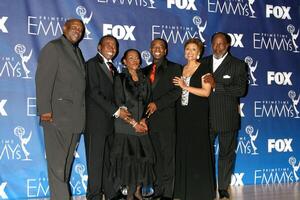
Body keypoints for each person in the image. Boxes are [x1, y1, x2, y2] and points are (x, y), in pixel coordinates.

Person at [35, 18, 86, 200]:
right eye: (74, 27)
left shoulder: (77, 52)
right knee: (57, 167)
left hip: (75, 120)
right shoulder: (53, 47)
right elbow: (43, 80)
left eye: (80, 29)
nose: (77, 31)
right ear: (64, 28)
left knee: (65, 167)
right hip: (56, 117)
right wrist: (45, 111)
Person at [85, 35, 131, 200]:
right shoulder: (92, 64)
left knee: (107, 161)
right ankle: (94, 195)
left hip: (110, 124)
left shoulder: (113, 68)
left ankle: (111, 193)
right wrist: (117, 111)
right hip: (96, 123)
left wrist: (122, 107)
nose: (112, 47)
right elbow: (94, 93)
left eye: (114, 45)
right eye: (108, 44)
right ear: (99, 47)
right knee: (95, 162)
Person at [203, 32, 248, 199]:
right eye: (214, 44)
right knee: (204, 155)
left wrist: (216, 86)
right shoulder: (203, 62)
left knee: (226, 155)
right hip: (205, 118)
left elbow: (241, 90)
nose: (217, 47)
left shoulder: (238, 65)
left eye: (221, 44)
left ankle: (222, 188)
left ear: (228, 45)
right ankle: (207, 186)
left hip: (227, 118)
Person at [109, 49, 155, 200]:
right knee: (128, 162)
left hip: (142, 126)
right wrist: (134, 123)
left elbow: (148, 103)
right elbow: (120, 104)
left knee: (142, 160)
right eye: (131, 58)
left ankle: (137, 191)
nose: (135, 60)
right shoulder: (120, 78)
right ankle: (129, 195)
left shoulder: (145, 80)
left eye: (137, 58)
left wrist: (144, 120)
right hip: (126, 126)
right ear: (124, 61)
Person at [172, 38, 215, 200]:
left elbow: (206, 92)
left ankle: (200, 191)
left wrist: (185, 87)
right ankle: (183, 190)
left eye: (194, 50)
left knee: (198, 150)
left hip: (198, 115)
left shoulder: (205, 69)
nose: (190, 52)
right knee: (183, 149)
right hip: (182, 115)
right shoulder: (180, 69)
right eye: (188, 49)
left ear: (199, 53)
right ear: (184, 52)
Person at [143, 38, 182, 200]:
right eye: (154, 47)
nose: (157, 49)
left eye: (161, 47)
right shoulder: (144, 71)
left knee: (168, 157)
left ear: (165, 51)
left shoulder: (175, 68)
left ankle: (168, 192)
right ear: (150, 50)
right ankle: (158, 189)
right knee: (155, 157)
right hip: (149, 122)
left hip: (166, 120)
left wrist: (157, 104)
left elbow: (176, 92)